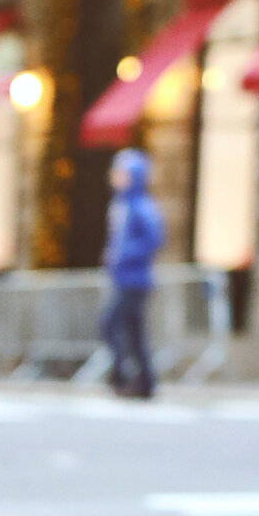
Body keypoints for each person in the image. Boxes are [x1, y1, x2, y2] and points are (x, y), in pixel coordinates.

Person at [98, 144, 163, 400]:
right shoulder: (121, 205)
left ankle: (127, 378)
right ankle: (142, 382)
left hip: (135, 280)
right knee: (131, 331)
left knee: (114, 325)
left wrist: (122, 255)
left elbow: (154, 239)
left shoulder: (141, 206)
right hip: (123, 278)